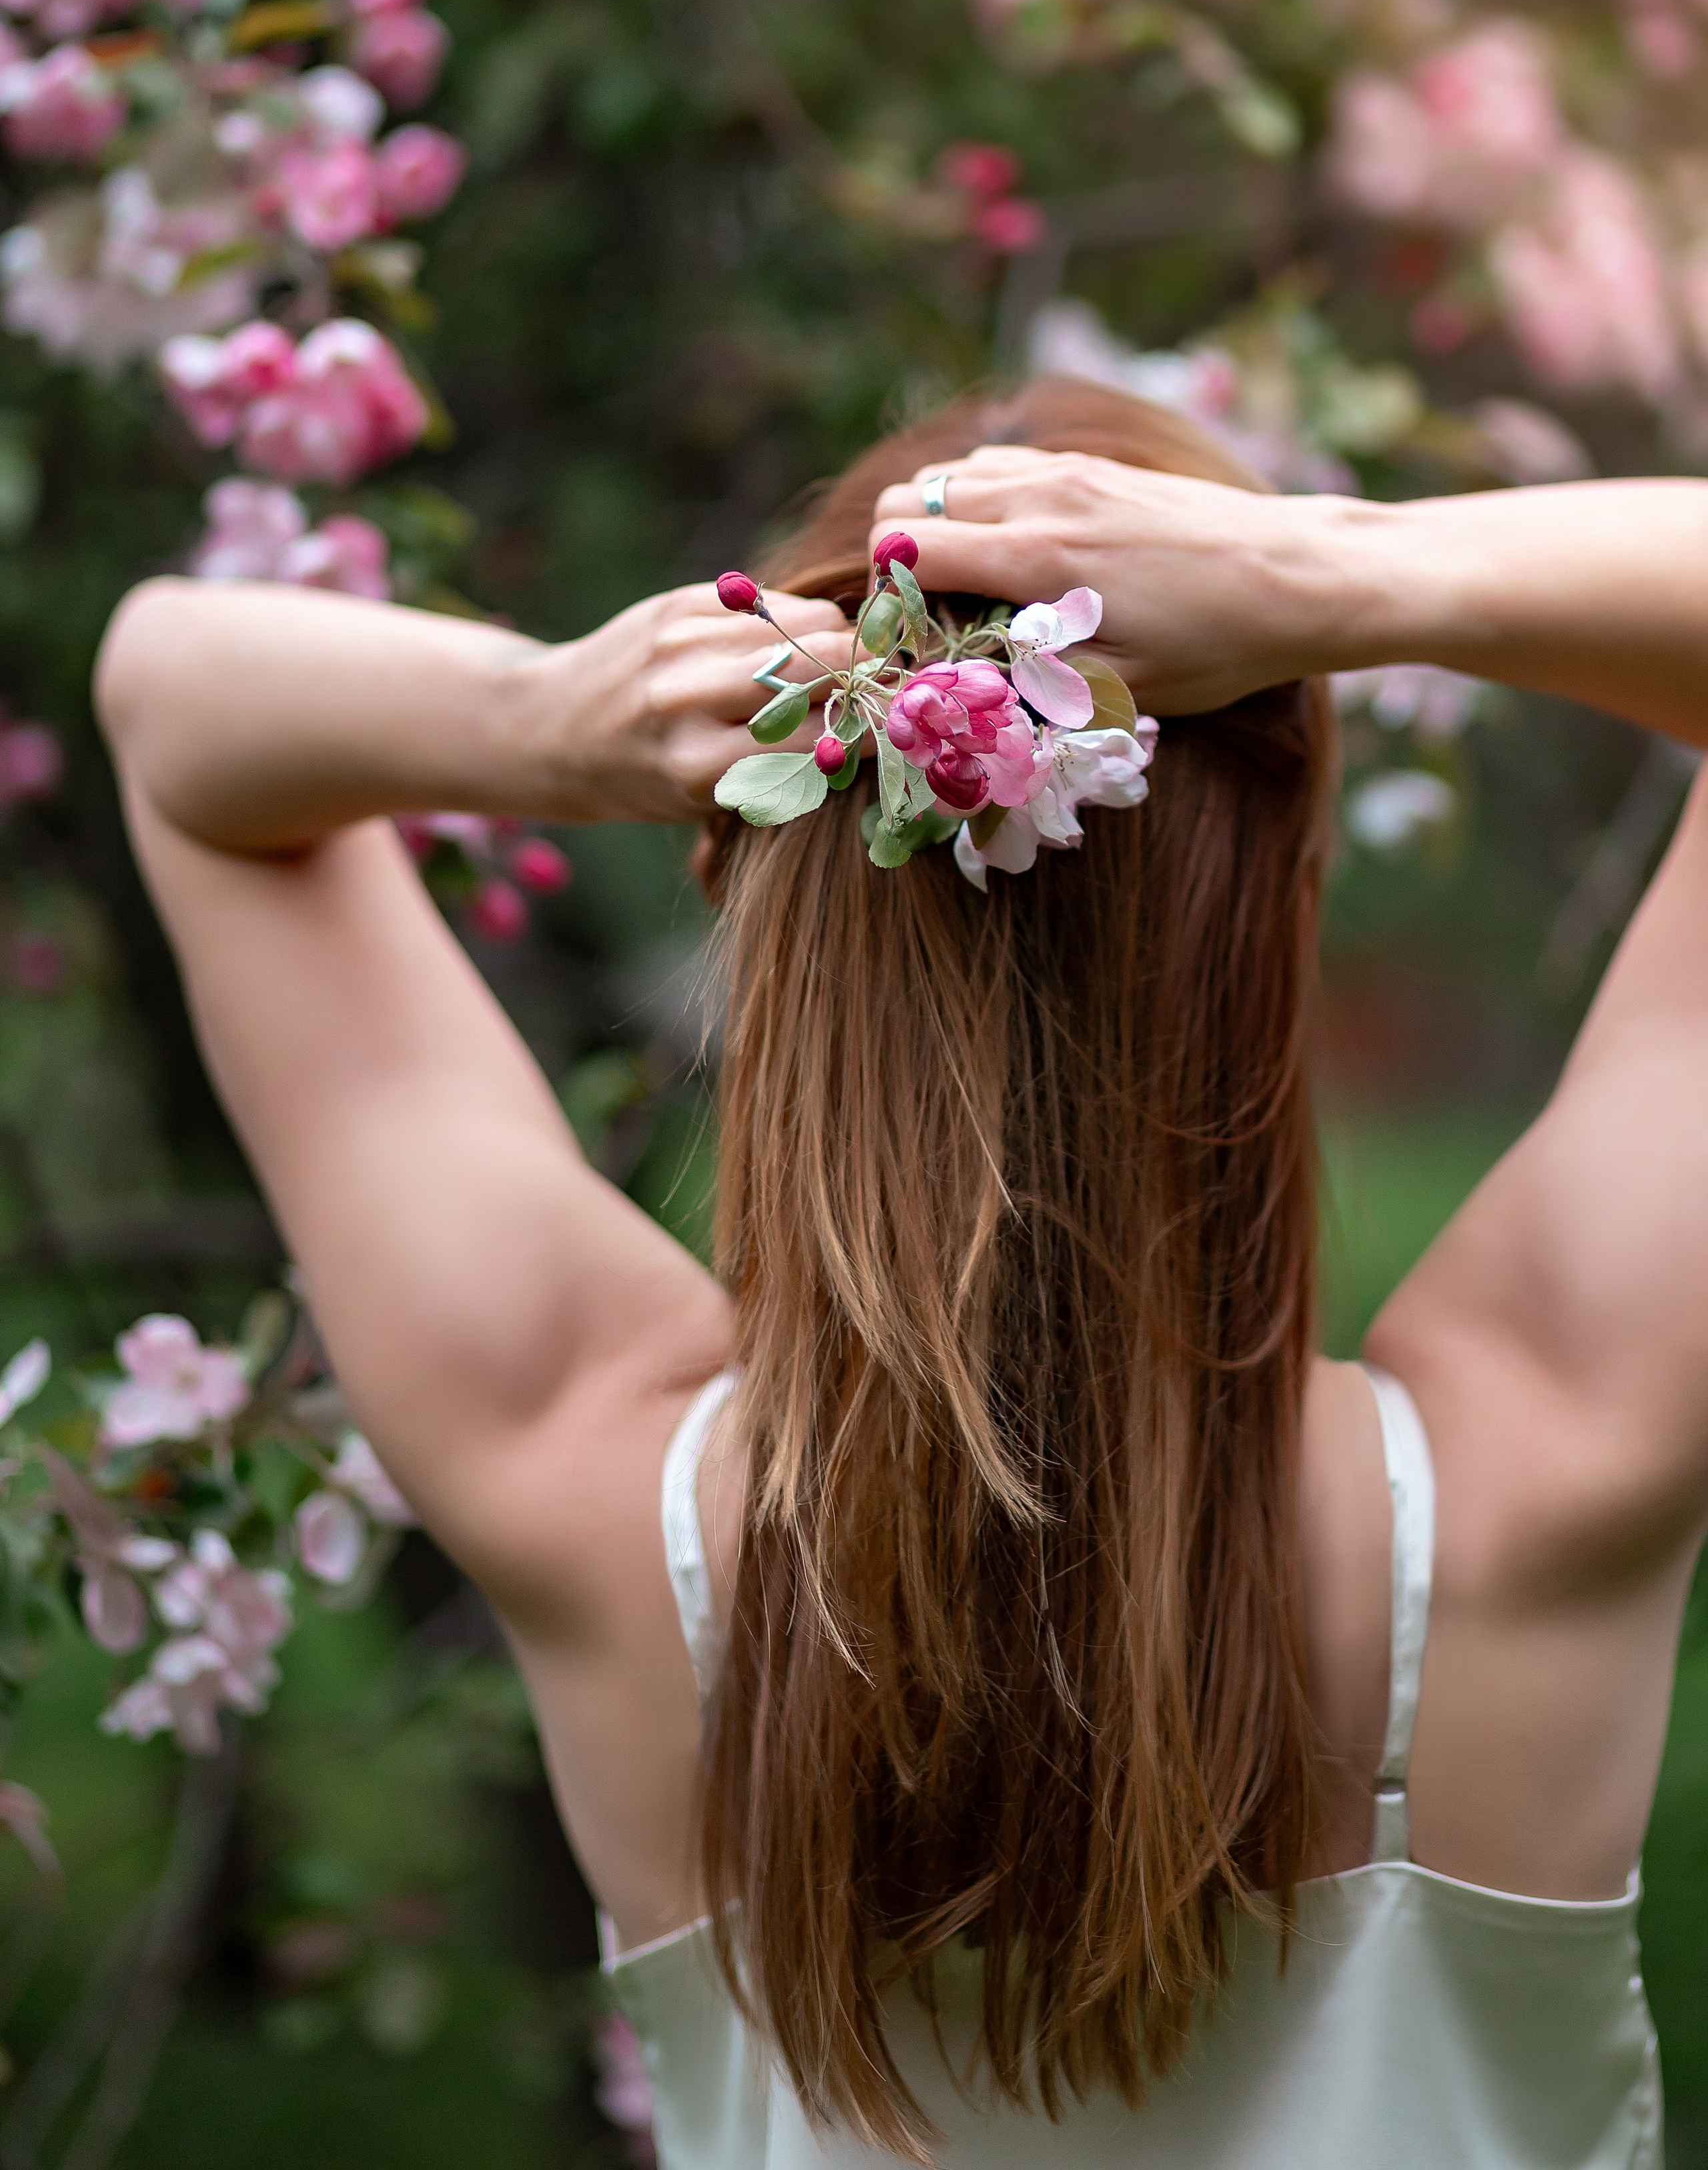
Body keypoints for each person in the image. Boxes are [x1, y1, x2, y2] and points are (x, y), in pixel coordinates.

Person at [93, 372, 1708, 2169]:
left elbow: (170, 693)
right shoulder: (1544, 1461)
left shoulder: (585, 1474)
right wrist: (1332, 572)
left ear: (748, 868)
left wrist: (548, 719)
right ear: (1296, 870)